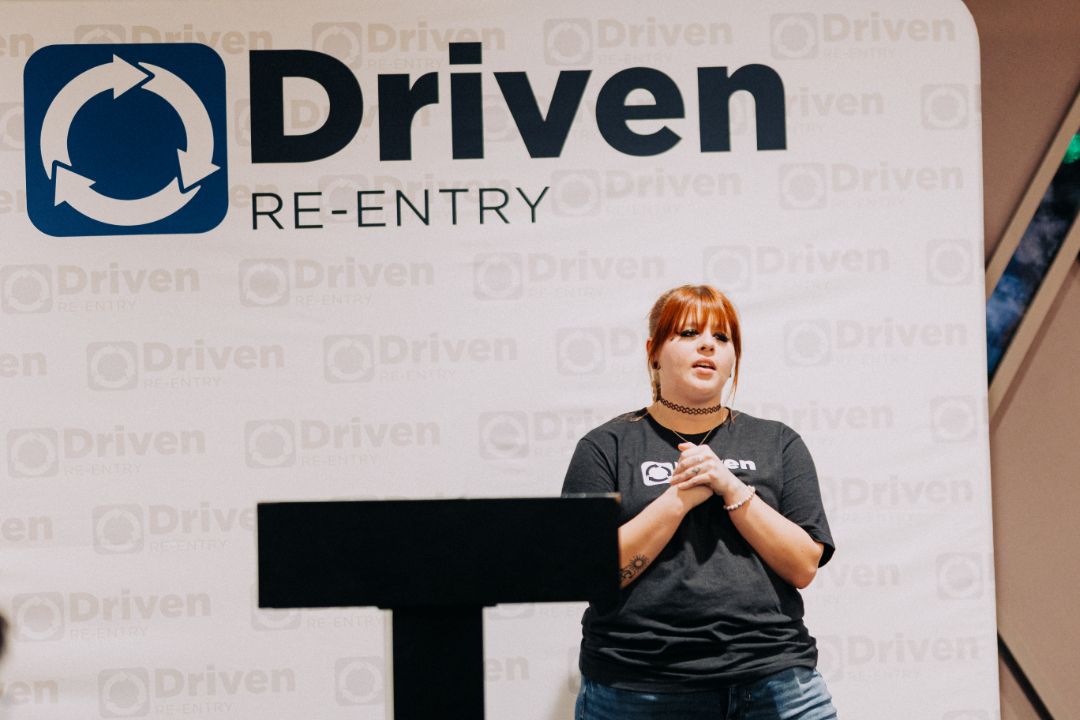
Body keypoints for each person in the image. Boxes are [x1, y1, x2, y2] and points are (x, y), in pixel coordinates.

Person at [562, 284, 837, 720]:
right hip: (638, 688)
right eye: (688, 333)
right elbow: (587, 573)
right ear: (653, 352)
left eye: (722, 338)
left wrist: (731, 487)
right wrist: (679, 499)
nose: (708, 344)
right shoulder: (606, 446)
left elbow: (803, 565)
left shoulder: (778, 442)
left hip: (775, 681)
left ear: (733, 361)